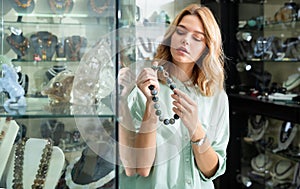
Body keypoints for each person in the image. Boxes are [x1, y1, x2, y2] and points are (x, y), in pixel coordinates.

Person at [118, 3, 229, 189]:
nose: (185, 41)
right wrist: (150, 107)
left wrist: (196, 130)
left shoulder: (216, 97)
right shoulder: (144, 89)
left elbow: (211, 171)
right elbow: (140, 167)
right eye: (180, 32)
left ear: (207, 48)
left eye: (197, 38)